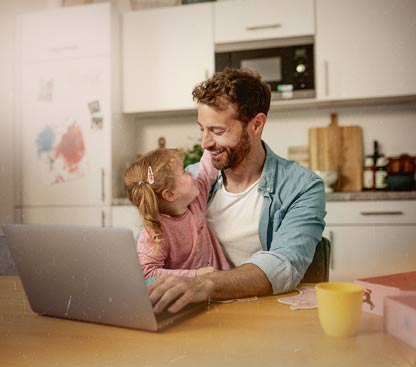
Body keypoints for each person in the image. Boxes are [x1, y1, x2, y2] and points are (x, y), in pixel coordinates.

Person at [148, 68, 326, 314]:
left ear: (256, 124)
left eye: (218, 131)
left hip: (264, 318)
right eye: (202, 128)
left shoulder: (302, 186)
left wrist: (203, 283)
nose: (205, 143)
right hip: (195, 315)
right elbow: (152, 247)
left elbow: (284, 265)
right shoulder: (189, 182)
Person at [124, 148, 230, 280]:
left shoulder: (195, 201)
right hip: (186, 297)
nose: (191, 173)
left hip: (219, 287)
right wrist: (194, 275)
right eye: (184, 171)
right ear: (169, 194)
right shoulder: (156, 232)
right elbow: (146, 272)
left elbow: (206, 169)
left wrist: (213, 141)